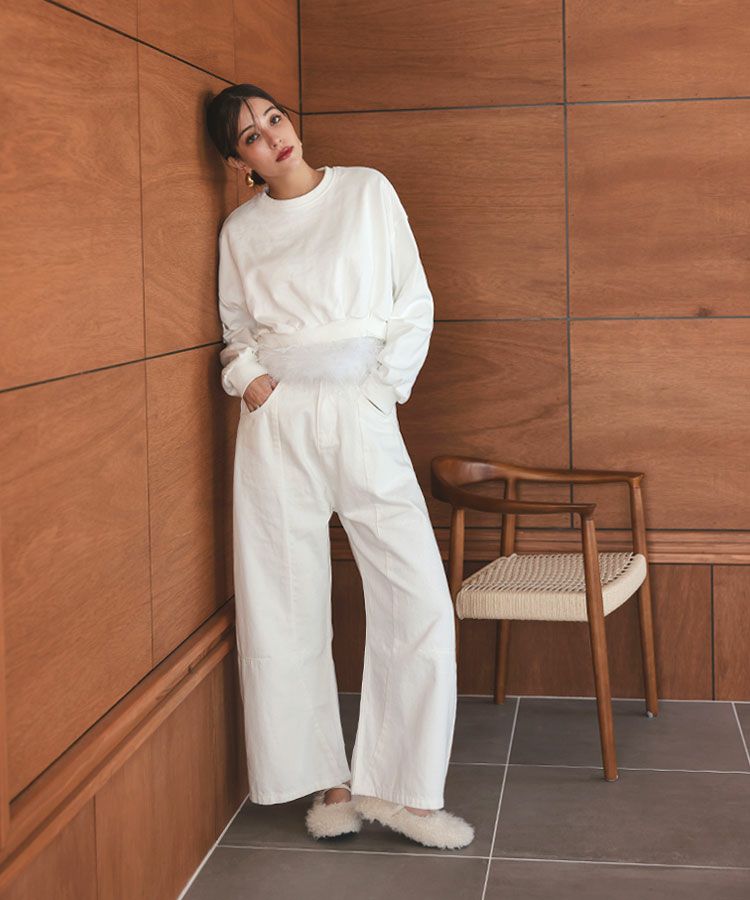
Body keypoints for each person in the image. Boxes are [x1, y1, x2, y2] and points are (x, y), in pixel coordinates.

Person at [205, 83, 474, 850]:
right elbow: (235, 330)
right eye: (251, 136)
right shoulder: (240, 230)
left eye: (274, 118)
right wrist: (248, 380)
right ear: (240, 163)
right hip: (276, 419)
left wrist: (381, 389)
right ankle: (326, 779)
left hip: (361, 405)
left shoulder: (366, 191)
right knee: (283, 597)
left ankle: (404, 791)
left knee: (417, 596)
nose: (273, 137)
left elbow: (412, 300)